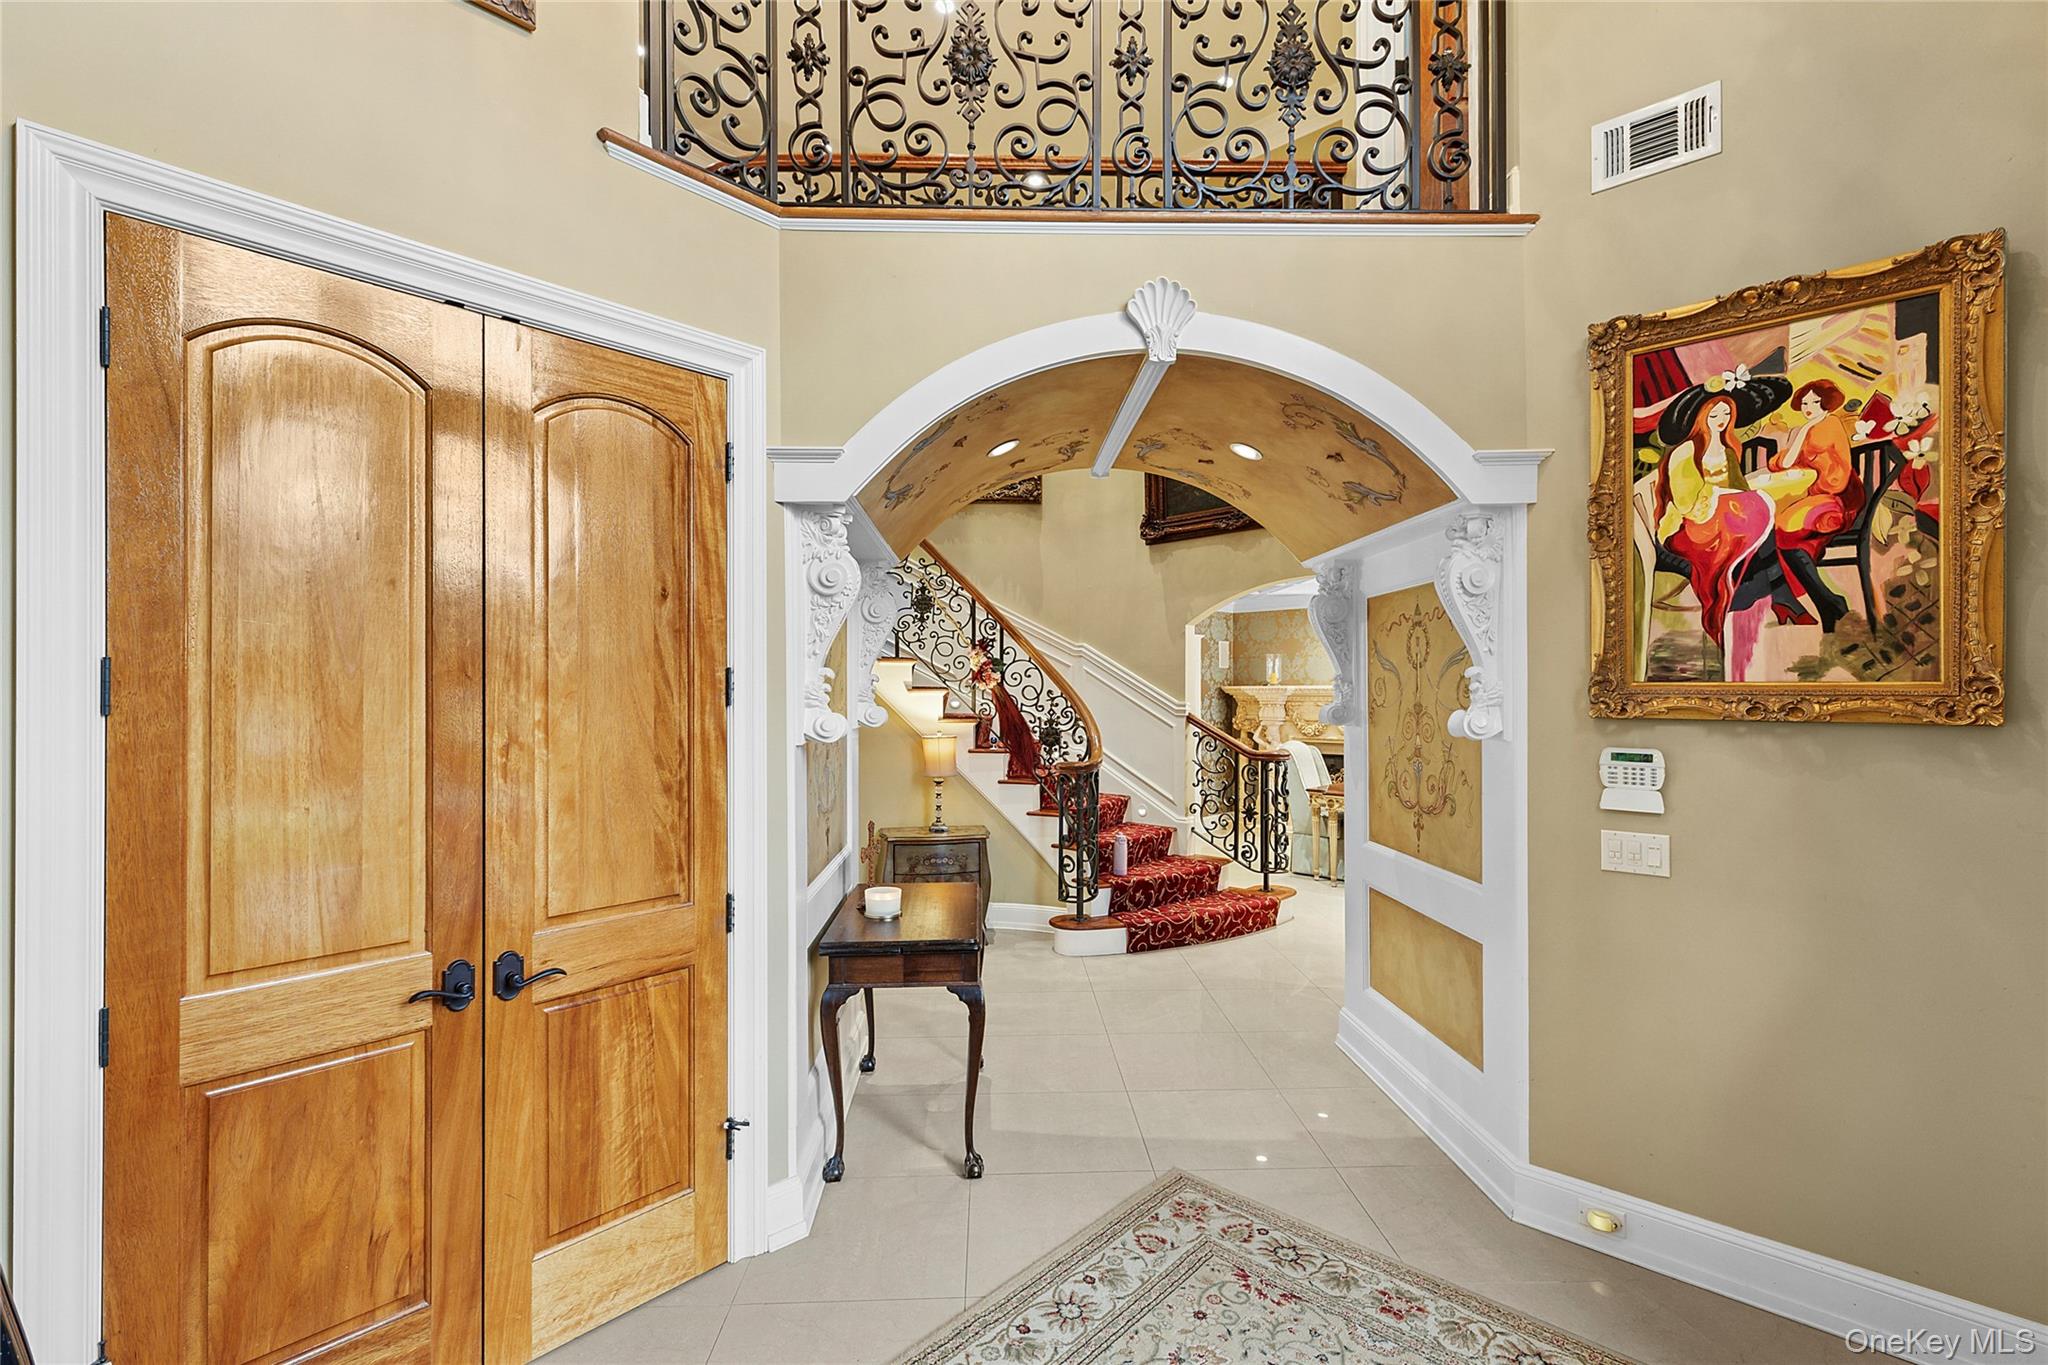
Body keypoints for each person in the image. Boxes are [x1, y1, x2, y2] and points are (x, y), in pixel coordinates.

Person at [1654, 394, 1775, 648]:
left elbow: (1740, 489)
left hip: (1722, 518)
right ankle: (1742, 598)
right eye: (1714, 414)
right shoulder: (1686, 451)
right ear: (1702, 417)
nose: (1721, 419)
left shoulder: (1729, 450)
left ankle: (1751, 596)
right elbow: (1685, 502)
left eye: (1726, 414)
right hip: (1687, 525)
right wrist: (1721, 494)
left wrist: (1745, 495)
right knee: (1746, 519)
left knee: (1759, 511)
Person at [1765, 379, 1865, 629]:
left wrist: (1804, 434)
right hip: (1811, 496)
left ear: (1826, 403)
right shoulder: (1805, 429)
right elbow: (1784, 463)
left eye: (1815, 402)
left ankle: (1825, 602)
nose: (1809, 407)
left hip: (1836, 499)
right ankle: (1828, 603)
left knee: (1782, 527)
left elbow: (1836, 479)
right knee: (1771, 529)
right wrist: (1802, 432)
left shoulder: (1830, 425)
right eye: (1805, 403)